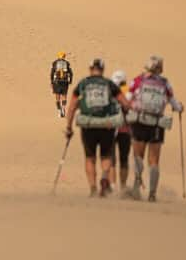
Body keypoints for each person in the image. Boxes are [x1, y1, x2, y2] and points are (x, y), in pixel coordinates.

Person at [65, 58, 131, 197]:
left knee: (90, 157)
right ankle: (104, 177)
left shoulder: (82, 84)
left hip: (88, 125)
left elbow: (71, 107)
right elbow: (125, 103)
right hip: (106, 125)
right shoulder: (110, 84)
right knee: (106, 155)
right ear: (102, 69)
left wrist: (69, 127)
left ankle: (93, 188)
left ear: (90, 69)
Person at [127, 55, 184, 202]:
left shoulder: (138, 80)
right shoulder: (165, 83)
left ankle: (136, 188)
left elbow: (128, 97)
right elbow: (174, 103)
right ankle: (152, 194)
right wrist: (180, 108)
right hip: (157, 124)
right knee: (154, 160)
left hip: (140, 121)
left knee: (138, 155)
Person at [108, 70, 133, 190]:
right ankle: (122, 186)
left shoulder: (109, 91)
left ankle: (112, 186)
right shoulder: (128, 92)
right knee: (124, 159)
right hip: (125, 130)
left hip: (111, 129)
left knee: (111, 159)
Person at [50, 52, 73, 118]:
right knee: (64, 95)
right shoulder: (67, 63)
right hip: (65, 82)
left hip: (56, 82)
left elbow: (52, 73)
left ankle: (59, 110)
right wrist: (70, 81)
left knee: (57, 96)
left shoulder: (55, 63)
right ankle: (63, 108)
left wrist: (51, 82)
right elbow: (71, 73)